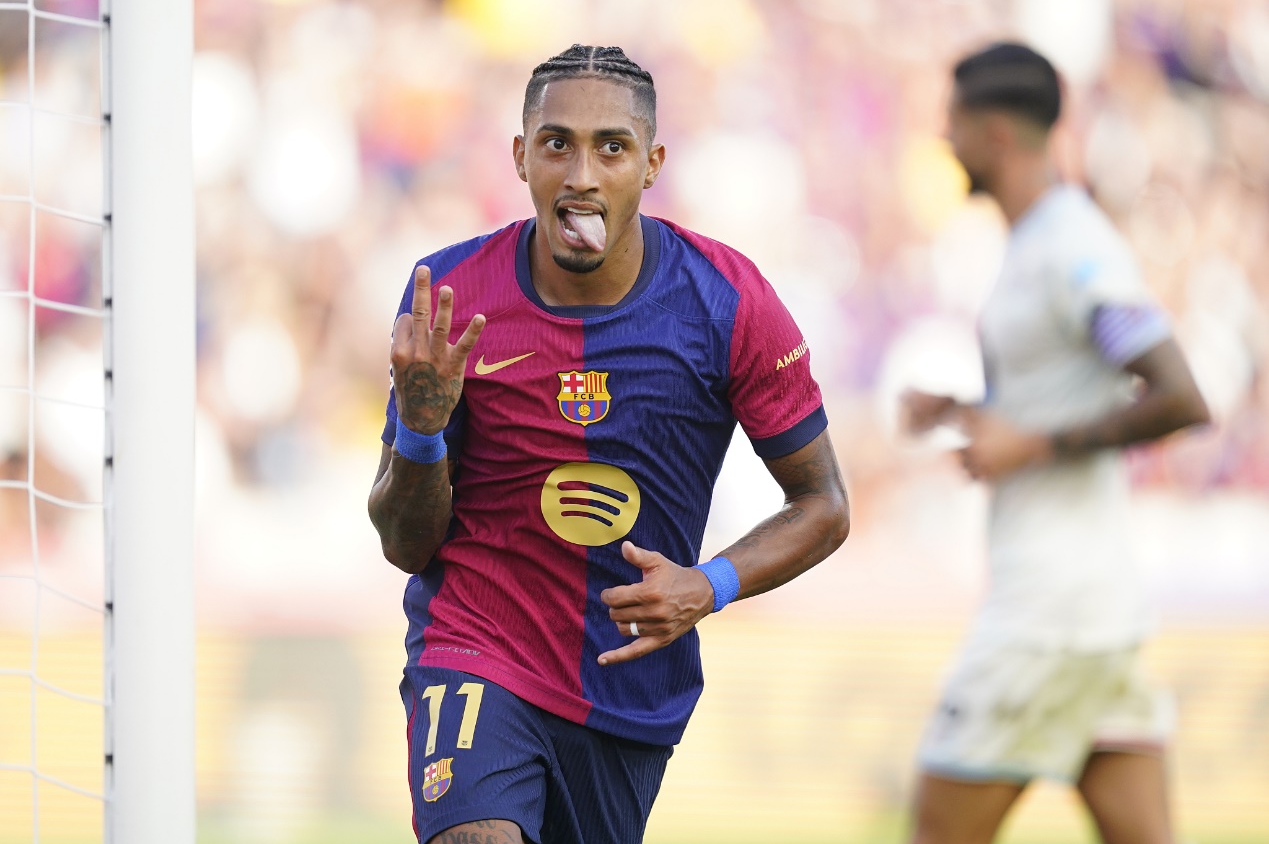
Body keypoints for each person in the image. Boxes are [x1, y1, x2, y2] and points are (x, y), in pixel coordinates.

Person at [367, 44, 850, 844]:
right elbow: (404, 543)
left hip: (623, 688)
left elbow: (823, 505)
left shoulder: (726, 302)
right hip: (476, 645)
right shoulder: (448, 297)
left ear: (652, 162)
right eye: (556, 143)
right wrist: (420, 428)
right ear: (520, 156)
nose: (581, 174)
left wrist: (709, 584)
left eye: (611, 147)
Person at [901, 43, 1210, 844]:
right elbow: (1055, 402)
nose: (945, 141)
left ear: (996, 134)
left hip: (1046, 615)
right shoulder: (1038, 242)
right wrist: (967, 411)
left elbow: (1178, 395)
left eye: (954, 125)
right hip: (1095, 608)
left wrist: (1030, 443)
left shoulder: (1071, 243)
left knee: (936, 832)